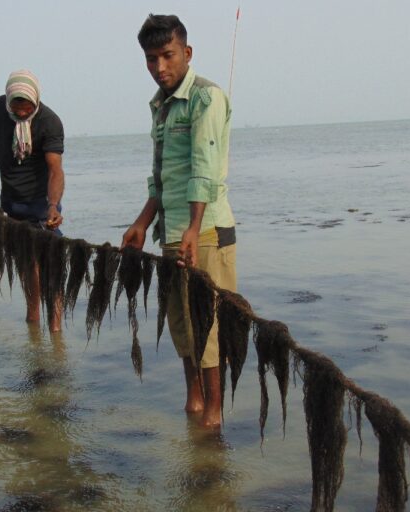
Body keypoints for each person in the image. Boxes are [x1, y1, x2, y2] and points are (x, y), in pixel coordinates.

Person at [121, 14, 237, 429]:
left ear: (186, 53)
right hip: (173, 232)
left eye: (167, 56)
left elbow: (203, 170)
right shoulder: (160, 106)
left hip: (205, 232)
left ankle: (214, 414)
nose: (160, 67)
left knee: (210, 325)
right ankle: (192, 401)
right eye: (151, 59)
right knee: (181, 322)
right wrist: (141, 223)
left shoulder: (206, 98)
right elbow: (162, 177)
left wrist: (192, 228)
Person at [0, 70, 65, 332]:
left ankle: (55, 327)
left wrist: (54, 205)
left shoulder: (49, 122)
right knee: (26, 264)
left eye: (27, 107)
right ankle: (33, 318)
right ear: (8, 100)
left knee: (51, 263)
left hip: (41, 205)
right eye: (17, 106)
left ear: (36, 100)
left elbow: (55, 169)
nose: (22, 112)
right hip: (11, 204)